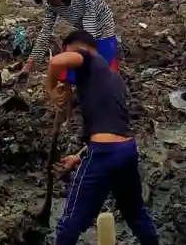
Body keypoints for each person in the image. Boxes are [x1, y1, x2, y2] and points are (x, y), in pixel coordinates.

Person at [46, 30, 159, 245]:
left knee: (71, 221)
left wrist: (51, 89)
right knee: (136, 214)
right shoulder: (111, 77)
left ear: (76, 48)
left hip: (104, 154)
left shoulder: (86, 58)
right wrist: (78, 157)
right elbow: (110, 127)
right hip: (125, 150)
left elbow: (56, 62)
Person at [22, 0, 120, 83]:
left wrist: (89, 58)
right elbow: (45, 31)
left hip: (103, 31)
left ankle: (109, 60)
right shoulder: (51, 3)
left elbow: (90, 29)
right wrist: (29, 65)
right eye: (46, 0)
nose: (49, 3)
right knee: (67, 75)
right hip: (83, 33)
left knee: (97, 71)